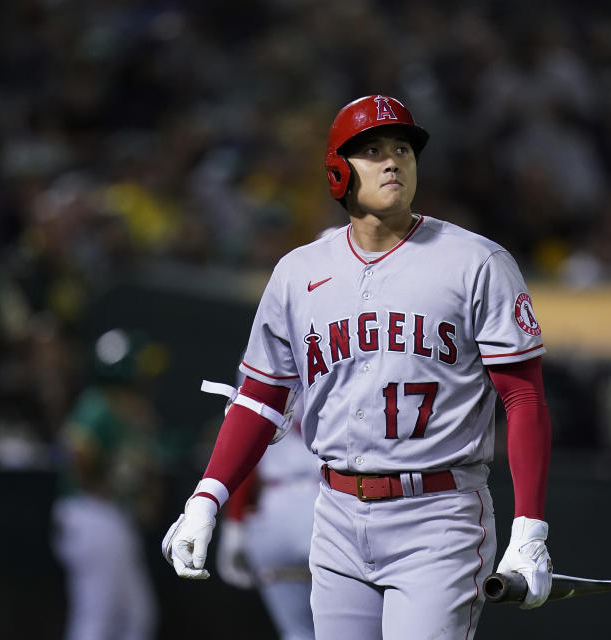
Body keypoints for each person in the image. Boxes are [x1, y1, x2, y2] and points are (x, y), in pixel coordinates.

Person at [162, 95, 554, 639]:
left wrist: (529, 529)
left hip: (438, 514)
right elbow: (259, 398)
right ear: (338, 171)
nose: (393, 160)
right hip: (337, 515)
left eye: (403, 149)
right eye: (373, 150)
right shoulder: (298, 272)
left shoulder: (477, 262)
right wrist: (208, 497)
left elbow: (524, 398)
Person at [52, 328, 161, 640]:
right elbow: (75, 451)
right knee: (96, 619)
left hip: (110, 517)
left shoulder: (130, 412)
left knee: (136, 617)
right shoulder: (98, 404)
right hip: (92, 514)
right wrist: (105, 486)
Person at [215, 392, 317, 640]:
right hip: (334, 497)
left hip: (275, 506)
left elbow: (246, 441)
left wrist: (234, 524)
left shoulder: (261, 354)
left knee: (297, 633)